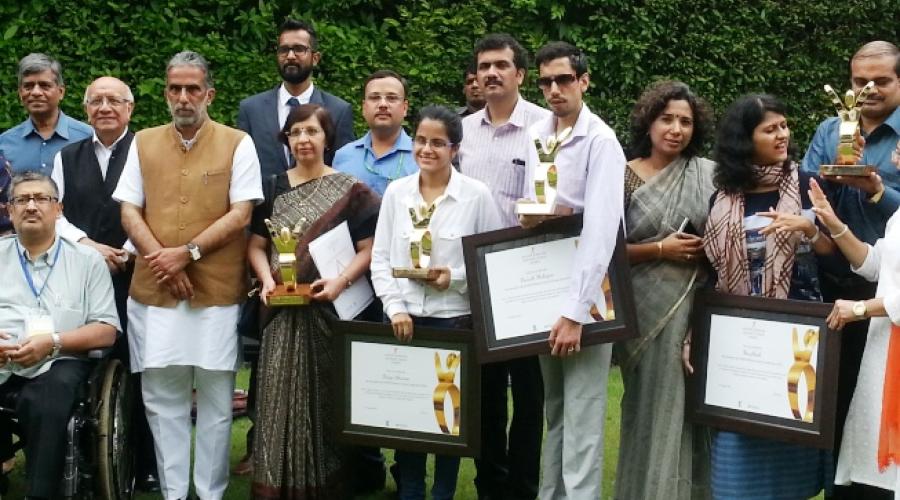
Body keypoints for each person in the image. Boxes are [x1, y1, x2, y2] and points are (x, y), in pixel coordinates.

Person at [113, 51, 263, 500]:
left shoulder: (238, 142)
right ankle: (175, 493)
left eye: (192, 89)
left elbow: (241, 214)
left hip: (215, 293)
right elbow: (128, 210)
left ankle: (211, 493)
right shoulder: (142, 141)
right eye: (175, 89)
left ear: (209, 94)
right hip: (153, 293)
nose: (183, 97)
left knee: (217, 401)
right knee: (162, 401)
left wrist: (189, 252)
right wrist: (163, 259)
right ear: (165, 93)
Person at [704, 94, 836, 499]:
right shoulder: (723, 195)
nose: (782, 135)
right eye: (770, 129)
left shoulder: (809, 184)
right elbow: (712, 274)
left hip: (800, 339)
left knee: (793, 452)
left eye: (784, 125)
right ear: (746, 139)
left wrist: (808, 230)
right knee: (735, 460)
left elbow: (838, 257)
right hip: (741, 341)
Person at [247, 103, 380, 499]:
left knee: (324, 398)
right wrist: (268, 279)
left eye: (312, 132)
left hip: (327, 311)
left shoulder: (350, 190)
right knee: (275, 397)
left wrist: (340, 282)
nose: (304, 139)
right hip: (279, 314)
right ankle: (274, 482)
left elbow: (369, 249)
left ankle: (324, 483)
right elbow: (255, 246)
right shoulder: (271, 188)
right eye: (296, 133)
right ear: (286, 140)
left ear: (327, 138)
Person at [371, 105, 501, 500]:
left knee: (449, 418)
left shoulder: (475, 196)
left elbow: (489, 258)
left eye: (438, 143)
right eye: (422, 141)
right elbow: (380, 259)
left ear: (455, 148)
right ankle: (410, 490)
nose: (428, 149)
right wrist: (395, 308)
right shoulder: (397, 193)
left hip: (453, 322)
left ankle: (443, 491)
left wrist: (455, 278)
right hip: (405, 321)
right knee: (407, 416)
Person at [518, 41, 624, 500]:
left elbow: (603, 231)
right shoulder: (539, 132)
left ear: (584, 80)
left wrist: (576, 312)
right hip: (546, 286)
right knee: (556, 410)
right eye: (546, 81)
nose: (555, 89)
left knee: (583, 412)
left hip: (588, 295)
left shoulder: (601, 140)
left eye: (564, 79)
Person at [48, 75, 160, 492]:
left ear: (130, 108)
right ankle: (83, 457)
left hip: (139, 274)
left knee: (142, 366)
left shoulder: (147, 151)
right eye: (96, 101)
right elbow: (55, 213)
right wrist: (92, 247)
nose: (105, 107)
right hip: (83, 274)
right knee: (87, 364)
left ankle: (145, 462)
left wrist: (129, 249)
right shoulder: (67, 155)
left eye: (114, 100)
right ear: (86, 109)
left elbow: (158, 206)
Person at [801, 41, 900, 500]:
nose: (869, 90)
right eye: (860, 82)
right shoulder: (830, 129)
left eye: (881, 81)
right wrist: (825, 210)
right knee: (837, 410)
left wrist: (878, 190)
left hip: (880, 307)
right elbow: (808, 192)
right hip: (837, 285)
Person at [457, 33, 550, 500]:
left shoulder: (546, 126)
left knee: (530, 393)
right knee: (486, 392)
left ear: (520, 74)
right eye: (484, 66)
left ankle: (525, 484)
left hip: (527, 277)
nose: (491, 73)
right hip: (475, 277)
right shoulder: (464, 132)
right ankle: (490, 483)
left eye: (501, 65)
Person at [613, 80, 715, 500]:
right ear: (649, 122)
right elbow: (604, 251)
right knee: (645, 408)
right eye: (667, 119)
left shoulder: (709, 175)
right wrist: (661, 248)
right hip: (640, 310)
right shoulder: (624, 175)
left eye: (685, 121)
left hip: (693, 305)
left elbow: (725, 243)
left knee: (689, 410)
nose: (676, 129)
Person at [0, 171, 119, 500]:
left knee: (49, 396)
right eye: (22, 199)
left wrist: (51, 342)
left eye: (42, 198)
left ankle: (40, 493)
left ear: (59, 209)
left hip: (59, 359)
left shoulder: (88, 262)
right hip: (2, 359)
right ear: (9, 211)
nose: (32, 206)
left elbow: (106, 331)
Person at [810, 152, 900, 496]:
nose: (894, 153)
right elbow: (875, 263)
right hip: (881, 354)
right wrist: (832, 222)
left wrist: (859, 309)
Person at [238, 18, 354, 176]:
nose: (290, 56)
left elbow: (343, 173)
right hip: (265, 200)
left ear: (315, 58)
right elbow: (243, 170)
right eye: (284, 50)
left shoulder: (338, 111)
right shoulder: (251, 110)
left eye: (299, 49)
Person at [0, 53, 92, 175]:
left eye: (45, 86)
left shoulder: (88, 137)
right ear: (20, 93)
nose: (36, 92)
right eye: (28, 86)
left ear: (61, 92)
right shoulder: (5, 143)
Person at [333, 69, 416, 196]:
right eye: (374, 97)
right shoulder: (343, 156)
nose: (383, 104)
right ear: (364, 107)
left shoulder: (422, 157)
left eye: (391, 98)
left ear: (405, 108)